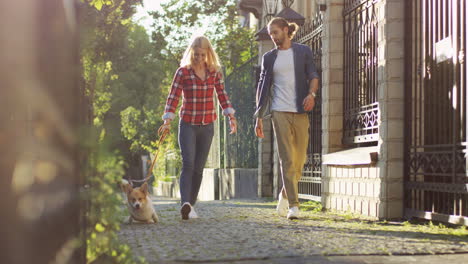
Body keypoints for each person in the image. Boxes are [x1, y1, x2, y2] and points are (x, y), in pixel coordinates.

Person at [159, 36, 237, 220]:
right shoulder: (183, 72)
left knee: (199, 168)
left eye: (202, 54)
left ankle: (190, 205)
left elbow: (222, 96)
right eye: (196, 54)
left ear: (208, 54)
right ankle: (185, 203)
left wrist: (231, 116)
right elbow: (173, 96)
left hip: (207, 125)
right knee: (188, 163)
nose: (199, 58)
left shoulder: (214, 73)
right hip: (188, 124)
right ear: (191, 52)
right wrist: (167, 119)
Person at [254, 17, 320, 220]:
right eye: (270, 33)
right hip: (279, 111)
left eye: (275, 32)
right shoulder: (269, 58)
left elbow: (313, 75)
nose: (273, 37)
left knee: (300, 160)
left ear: (285, 30)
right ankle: (294, 205)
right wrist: (259, 117)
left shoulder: (302, 51)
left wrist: (312, 95)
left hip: (300, 110)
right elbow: (262, 87)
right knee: (286, 159)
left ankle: (284, 193)